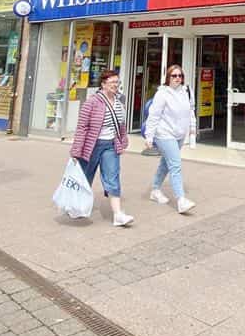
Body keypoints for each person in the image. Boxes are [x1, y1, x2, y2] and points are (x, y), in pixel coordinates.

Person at [69, 70, 134, 227]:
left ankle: (118, 214)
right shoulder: (92, 102)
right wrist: (76, 150)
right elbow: (82, 127)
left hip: (110, 145)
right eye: (112, 83)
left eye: (117, 83)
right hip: (92, 146)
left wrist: (123, 141)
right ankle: (76, 207)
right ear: (103, 84)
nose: (115, 86)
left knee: (112, 177)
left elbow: (121, 125)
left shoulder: (119, 102)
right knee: (85, 177)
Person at [145, 64, 197, 214]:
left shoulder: (186, 92)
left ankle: (155, 190)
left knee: (166, 164)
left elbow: (191, 112)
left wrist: (192, 132)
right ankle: (181, 200)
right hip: (164, 133)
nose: (177, 78)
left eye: (180, 76)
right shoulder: (163, 94)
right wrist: (149, 136)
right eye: (174, 76)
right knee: (175, 164)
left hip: (180, 134)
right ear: (168, 77)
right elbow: (154, 115)